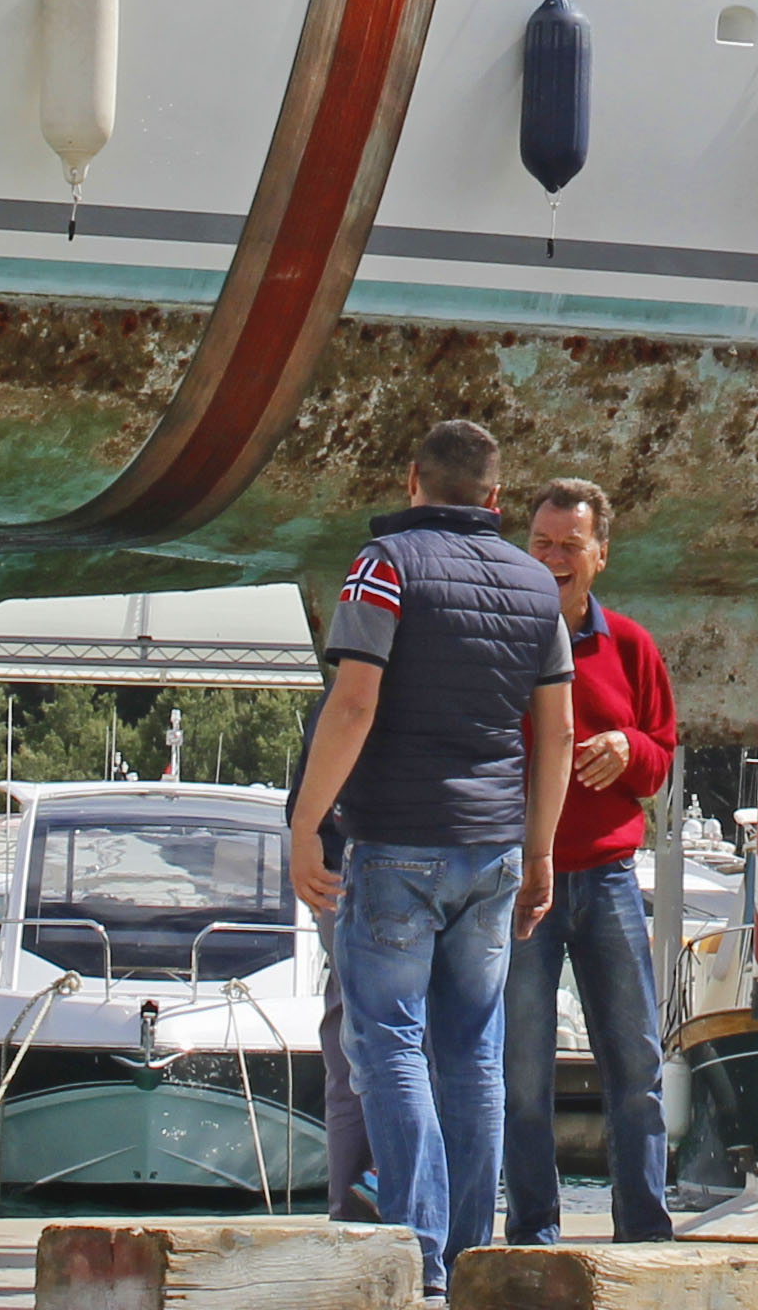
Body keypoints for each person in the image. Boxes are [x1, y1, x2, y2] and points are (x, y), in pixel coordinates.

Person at [290, 420, 571, 1295]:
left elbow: (354, 703)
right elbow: (557, 729)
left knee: (390, 1046)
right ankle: (470, 1255)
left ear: (412, 480)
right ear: (495, 498)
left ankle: (418, 1259)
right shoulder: (535, 584)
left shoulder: (385, 564)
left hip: (399, 845)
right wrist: (541, 851)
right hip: (492, 851)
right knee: (473, 1052)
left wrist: (306, 824)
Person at [503, 476, 678, 1243]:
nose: (552, 558)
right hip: (520, 883)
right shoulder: (502, 639)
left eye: (569, 545)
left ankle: (644, 1233)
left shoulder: (632, 646)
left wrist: (627, 747)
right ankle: (532, 1235)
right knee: (521, 1077)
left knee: (635, 1067)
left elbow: (664, 757)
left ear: (600, 555)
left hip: (608, 881)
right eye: (540, 543)